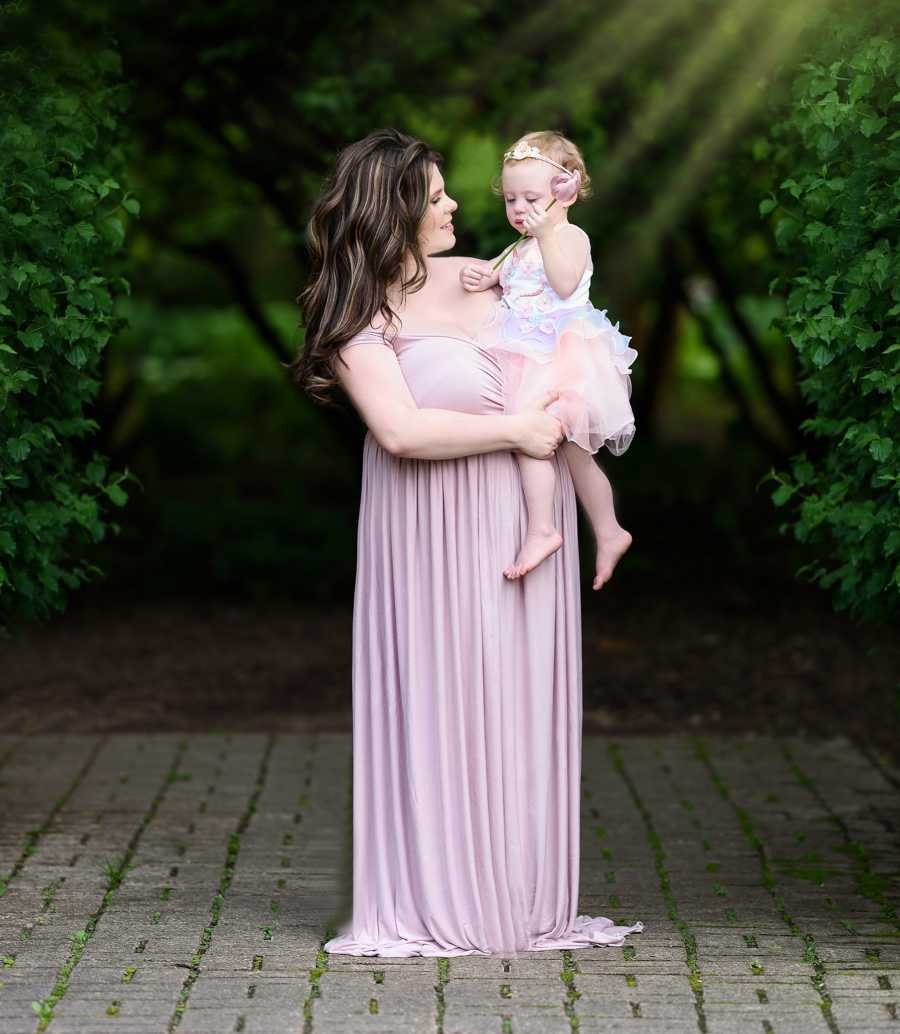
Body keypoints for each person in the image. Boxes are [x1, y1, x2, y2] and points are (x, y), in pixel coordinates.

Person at [291, 127, 644, 957]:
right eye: (438, 195)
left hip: (524, 530)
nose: (455, 204)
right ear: (397, 210)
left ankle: (520, 897)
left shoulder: (484, 274)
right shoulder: (357, 316)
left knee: (517, 707)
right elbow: (402, 431)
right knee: (445, 704)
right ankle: (439, 896)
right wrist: (520, 430)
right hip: (429, 537)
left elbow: (563, 336)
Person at [460, 131, 638, 583]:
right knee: (574, 454)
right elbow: (507, 282)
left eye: (532, 199)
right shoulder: (519, 247)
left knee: (530, 431)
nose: (520, 210)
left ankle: (542, 529)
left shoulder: (568, 236)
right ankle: (610, 530)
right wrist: (482, 279)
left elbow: (562, 283)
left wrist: (545, 234)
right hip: (528, 351)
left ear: (566, 192)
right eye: (511, 200)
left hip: (562, 354)